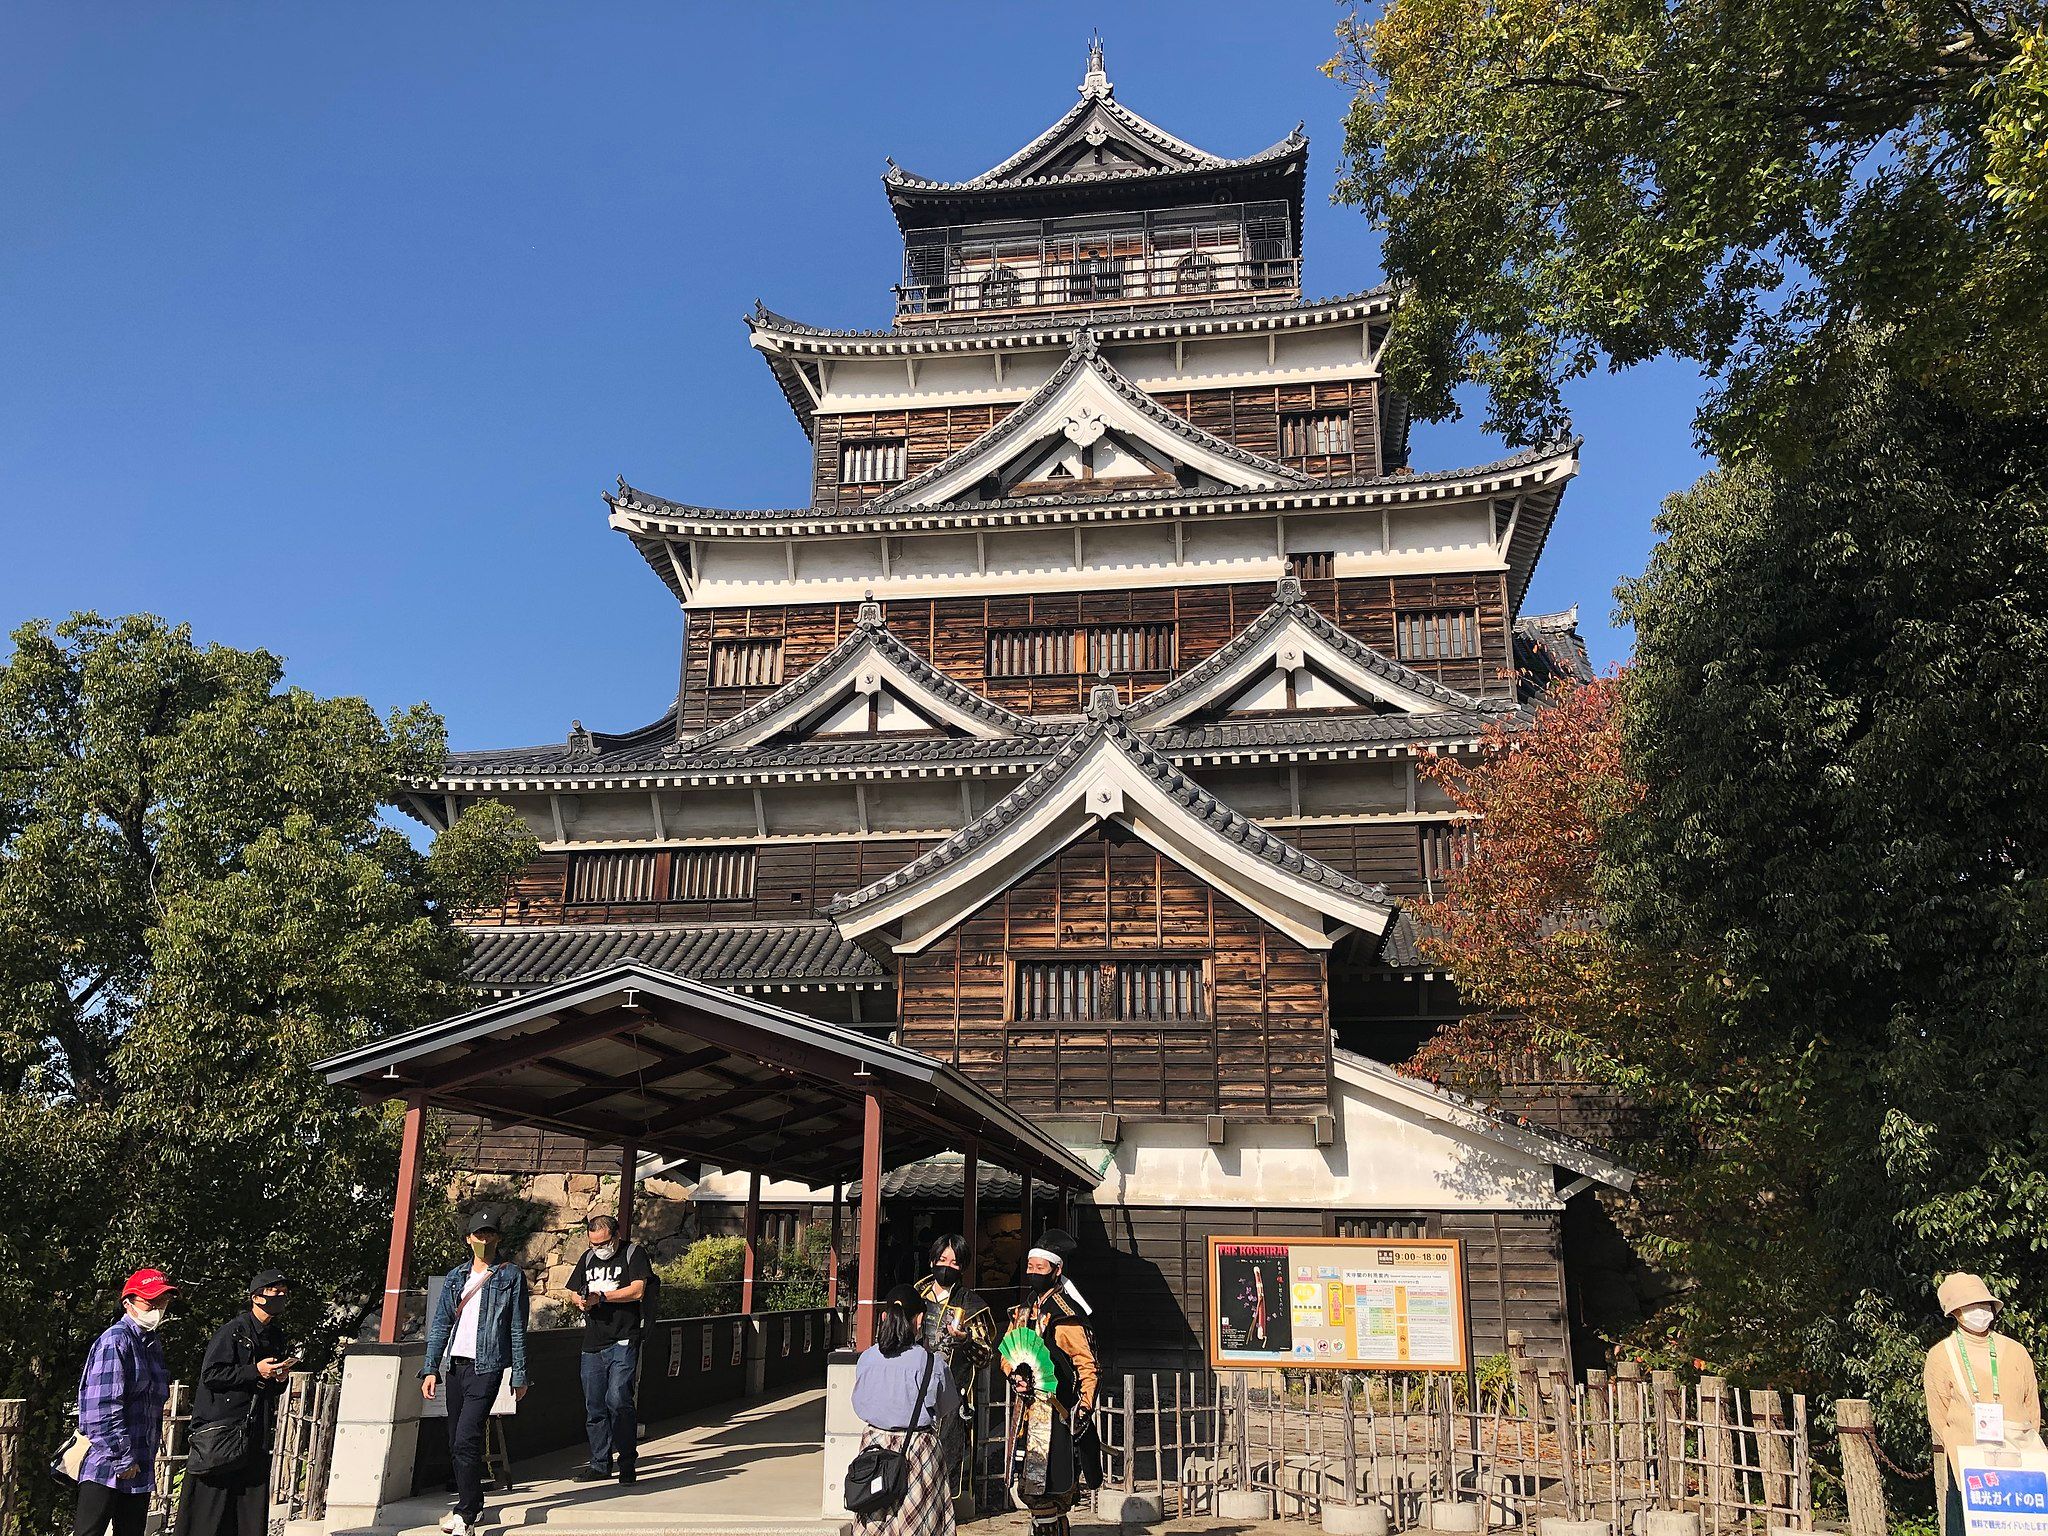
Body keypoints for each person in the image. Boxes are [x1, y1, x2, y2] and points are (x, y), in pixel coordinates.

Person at [421, 1209, 530, 1536]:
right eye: (478, 1235)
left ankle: (465, 1515)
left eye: (490, 1235)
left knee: (468, 1435)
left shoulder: (510, 1276)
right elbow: (440, 1325)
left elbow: (516, 1327)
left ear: (498, 1238)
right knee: (456, 1439)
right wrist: (431, 1368)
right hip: (456, 1366)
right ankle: (474, 1503)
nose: (484, 1240)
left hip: (489, 1366)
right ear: (468, 1238)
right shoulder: (456, 1277)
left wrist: (520, 1372)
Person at [1923, 1272, 2043, 1536]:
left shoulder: (2017, 1351)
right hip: (1969, 1468)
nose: (1979, 1310)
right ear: (1955, 1312)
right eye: (1970, 1306)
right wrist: (1959, 1447)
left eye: (1983, 1304)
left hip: (2017, 1464)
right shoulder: (1941, 1356)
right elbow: (1939, 1416)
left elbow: (2032, 1408)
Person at [177, 1271, 295, 1536]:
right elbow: (211, 1375)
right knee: (210, 1507)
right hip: (223, 1433)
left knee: (248, 1510)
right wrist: (255, 1370)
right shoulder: (233, 1331)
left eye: (285, 1293)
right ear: (256, 1297)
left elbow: (270, 1385)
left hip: (255, 1433)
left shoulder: (275, 1336)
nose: (281, 1297)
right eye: (275, 1292)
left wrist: (279, 1377)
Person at [1007, 1231, 1100, 1536]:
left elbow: (1087, 1365)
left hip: (1057, 1412)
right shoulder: (1023, 1311)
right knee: (1033, 1489)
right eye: (1030, 1267)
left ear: (1057, 1271)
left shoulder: (1066, 1315)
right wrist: (1014, 1375)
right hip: (1026, 1411)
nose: (1033, 1273)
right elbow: (1009, 1351)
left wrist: (1084, 1408)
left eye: (1039, 1268)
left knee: (1046, 1489)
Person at [74, 1268, 178, 1536]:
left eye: (162, 1301)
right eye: (149, 1301)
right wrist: (123, 1458)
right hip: (108, 1465)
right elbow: (101, 1408)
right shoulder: (116, 1340)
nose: (156, 1308)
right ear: (128, 1303)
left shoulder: (151, 1343)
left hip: (139, 1463)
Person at [851, 1285, 960, 1536]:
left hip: (874, 1448)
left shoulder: (867, 1358)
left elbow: (859, 1404)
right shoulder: (932, 1362)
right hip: (919, 1449)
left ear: (883, 1317)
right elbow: (945, 1407)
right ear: (920, 1320)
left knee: (875, 1520)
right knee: (921, 1523)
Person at [566, 1212, 653, 1486]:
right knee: (594, 1405)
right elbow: (570, 1291)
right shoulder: (588, 1258)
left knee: (618, 1400)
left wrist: (603, 1296)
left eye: (603, 1243)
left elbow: (639, 1290)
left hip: (624, 1339)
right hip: (593, 1342)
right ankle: (599, 1463)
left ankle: (627, 1461)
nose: (598, 1248)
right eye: (593, 1244)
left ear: (615, 1237)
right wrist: (580, 1301)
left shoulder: (633, 1254)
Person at [914, 1234, 997, 1505]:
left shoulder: (971, 1305)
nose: (946, 1266)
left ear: (962, 1267)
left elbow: (986, 1355)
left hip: (951, 1390)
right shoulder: (915, 1297)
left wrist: (966, 1340)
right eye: (941, 1260)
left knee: (945, 1452)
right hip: (913, 1386)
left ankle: (941, 1508)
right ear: (931, 1262)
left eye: (954, 1262)